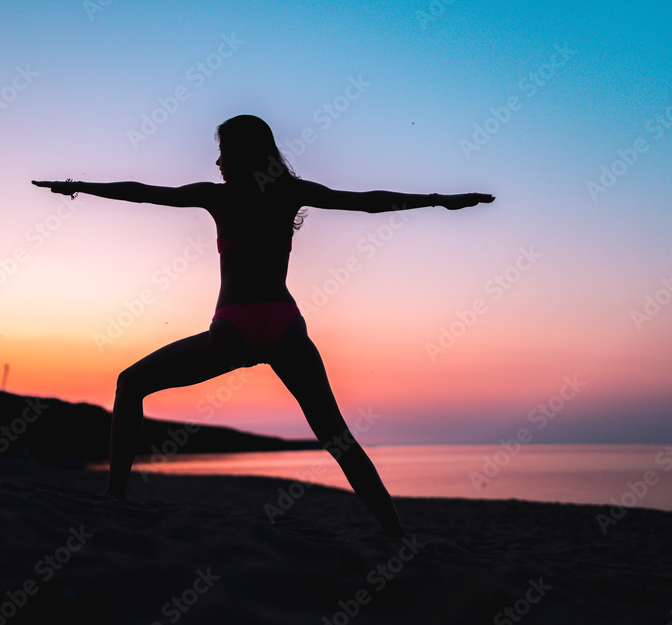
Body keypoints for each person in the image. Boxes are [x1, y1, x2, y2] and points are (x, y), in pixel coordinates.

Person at [33, 114, 494, 537]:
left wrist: (77, 186)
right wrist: (439, 201)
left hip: (231, 328)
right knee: (336, 437)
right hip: (282, 324)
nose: (216, 161)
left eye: (222, 151)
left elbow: (145, 191)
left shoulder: (216, 195)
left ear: (239, 153)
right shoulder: (286, 191)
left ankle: (115, 498)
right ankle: (396, 534)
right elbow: (368, 203)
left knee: (130, 383)